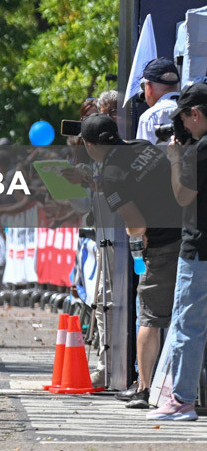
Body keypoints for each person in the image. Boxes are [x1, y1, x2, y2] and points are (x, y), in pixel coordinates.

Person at [71, 114, 179, 410]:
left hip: (161, 243)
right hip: (190, 231)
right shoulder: (143, 146)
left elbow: (136, 223)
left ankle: (144, 388)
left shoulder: (111, 174)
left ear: (91, 146)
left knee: (150, 316)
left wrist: (136, 242)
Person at [147, 83, 207, 421]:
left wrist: (174, 160)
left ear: (195, 114)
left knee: (188, 324)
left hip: (198, 248)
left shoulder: (201, 150)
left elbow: (182, 197)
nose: (182, 128)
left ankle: (182, 400)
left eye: (183, 120)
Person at [137, 58, 181, 145]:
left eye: (143, 86)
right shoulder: (195, 109)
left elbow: (142, 156)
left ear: (149, 87)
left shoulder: (149, 117)